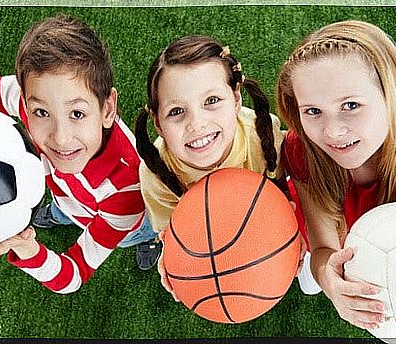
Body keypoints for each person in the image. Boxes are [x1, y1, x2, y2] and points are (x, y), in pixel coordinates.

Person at [0, 13, 162, 294]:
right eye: (42, 113)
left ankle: (149, 241)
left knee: (141, 231)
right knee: (63, 205)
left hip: (126, 223)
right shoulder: (26, 101)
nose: (60, 137)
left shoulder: (125, 192)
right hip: (66, 196)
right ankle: (60, 213)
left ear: (107, 109)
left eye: (77, 113)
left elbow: (74, 275)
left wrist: (25, 247)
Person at [276, 20, 396, 330]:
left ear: (390, 95)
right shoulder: (302, 147)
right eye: (312, 111)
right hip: (330, 227)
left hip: (382, 246)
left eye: (350, 105)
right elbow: (323, 245)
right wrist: (330, 280)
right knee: (315, 275)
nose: (333, 132)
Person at [135, 35, 318, 297]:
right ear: (158, 123)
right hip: (207, 231)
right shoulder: (155, 175)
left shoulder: (263, 138)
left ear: (235, 98)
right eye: (176, 111)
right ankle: (145, 243)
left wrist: (288, 230)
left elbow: (284, 192)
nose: (197, 124)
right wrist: (177, 254)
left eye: (211, 101)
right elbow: (174, 229)